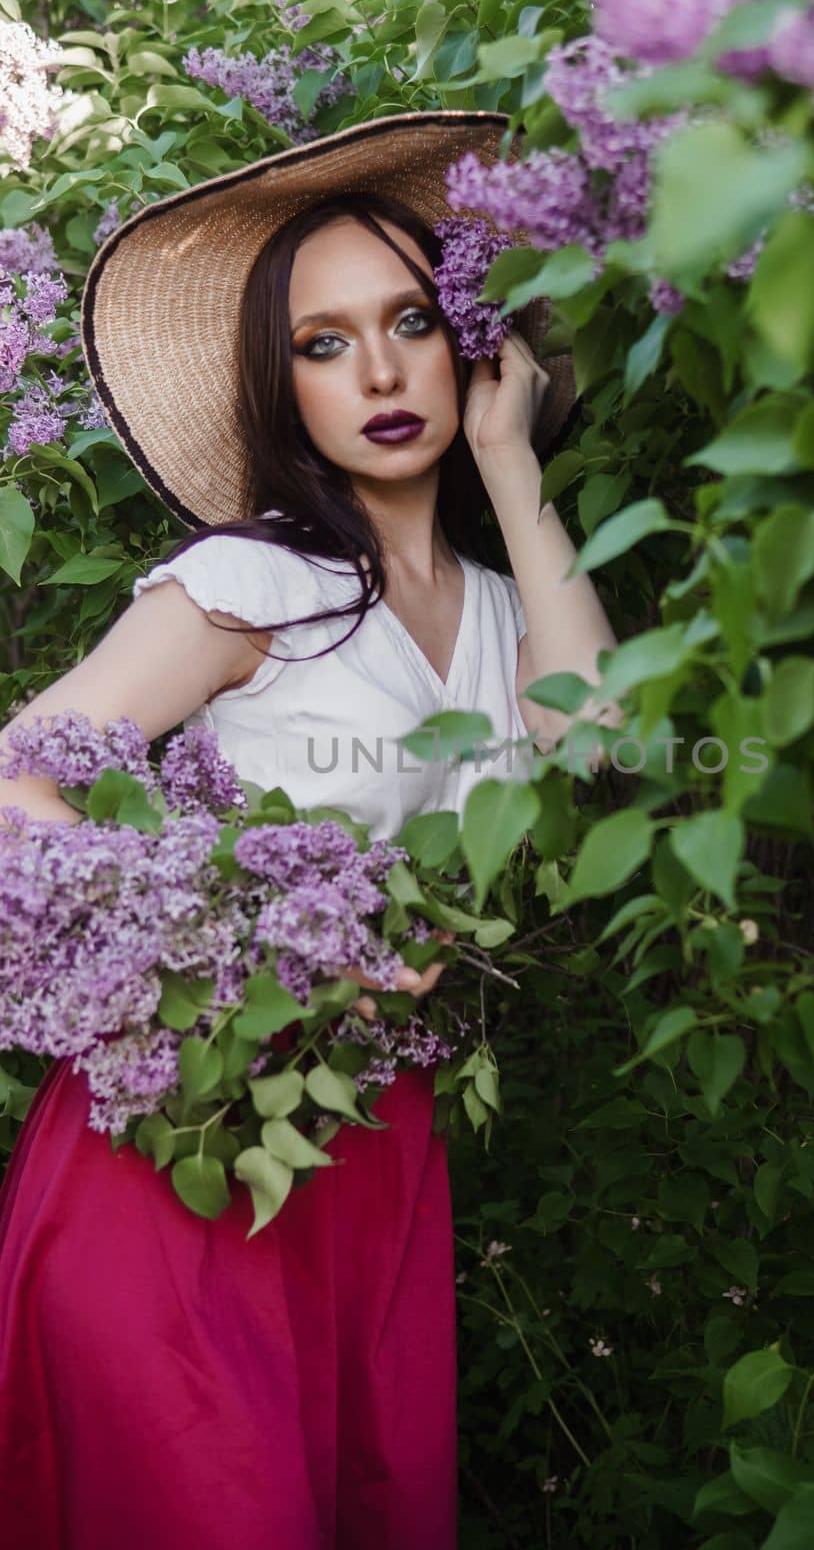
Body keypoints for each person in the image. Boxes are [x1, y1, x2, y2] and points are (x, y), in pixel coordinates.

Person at [0, 111, 618, 1549]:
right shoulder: (247, 585)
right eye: (322, 342)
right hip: (186, 1146)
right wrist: (237, 945)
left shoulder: (515, 607)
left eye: (410, 320)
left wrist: (513, 468)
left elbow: (584, 761)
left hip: (374, 1153)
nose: (381, 371)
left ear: (471, 341)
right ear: (282, 386)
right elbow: (16, 784)